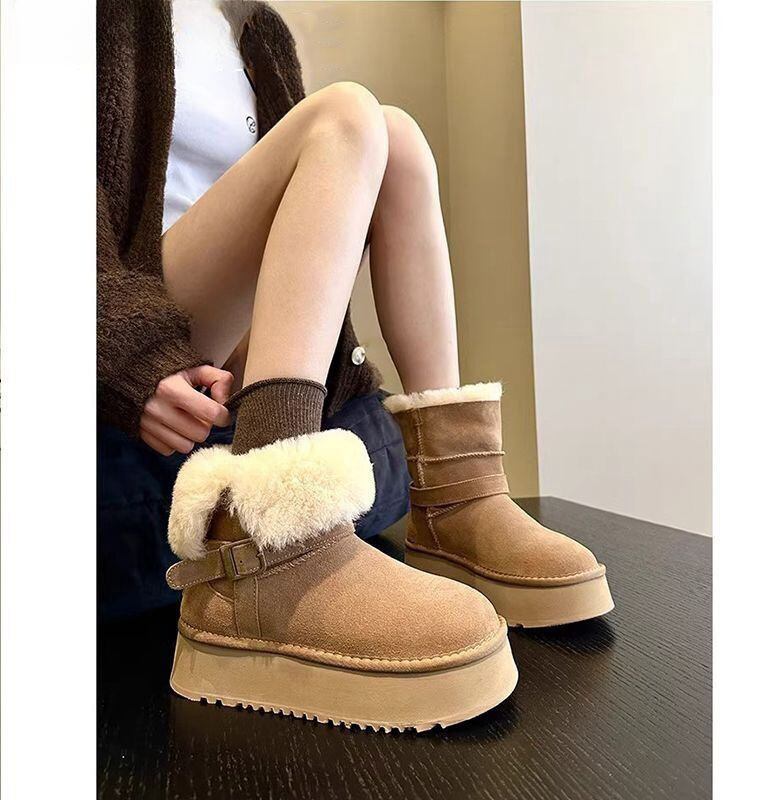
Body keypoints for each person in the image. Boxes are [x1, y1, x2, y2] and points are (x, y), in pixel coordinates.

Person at [98, 0, 613, 731]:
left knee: (393, 133)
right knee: (343, 117)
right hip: (141, 302)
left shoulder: (253, 27)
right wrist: (124, 355)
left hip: (233, 341)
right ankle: (272, 544)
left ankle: (457, 496)